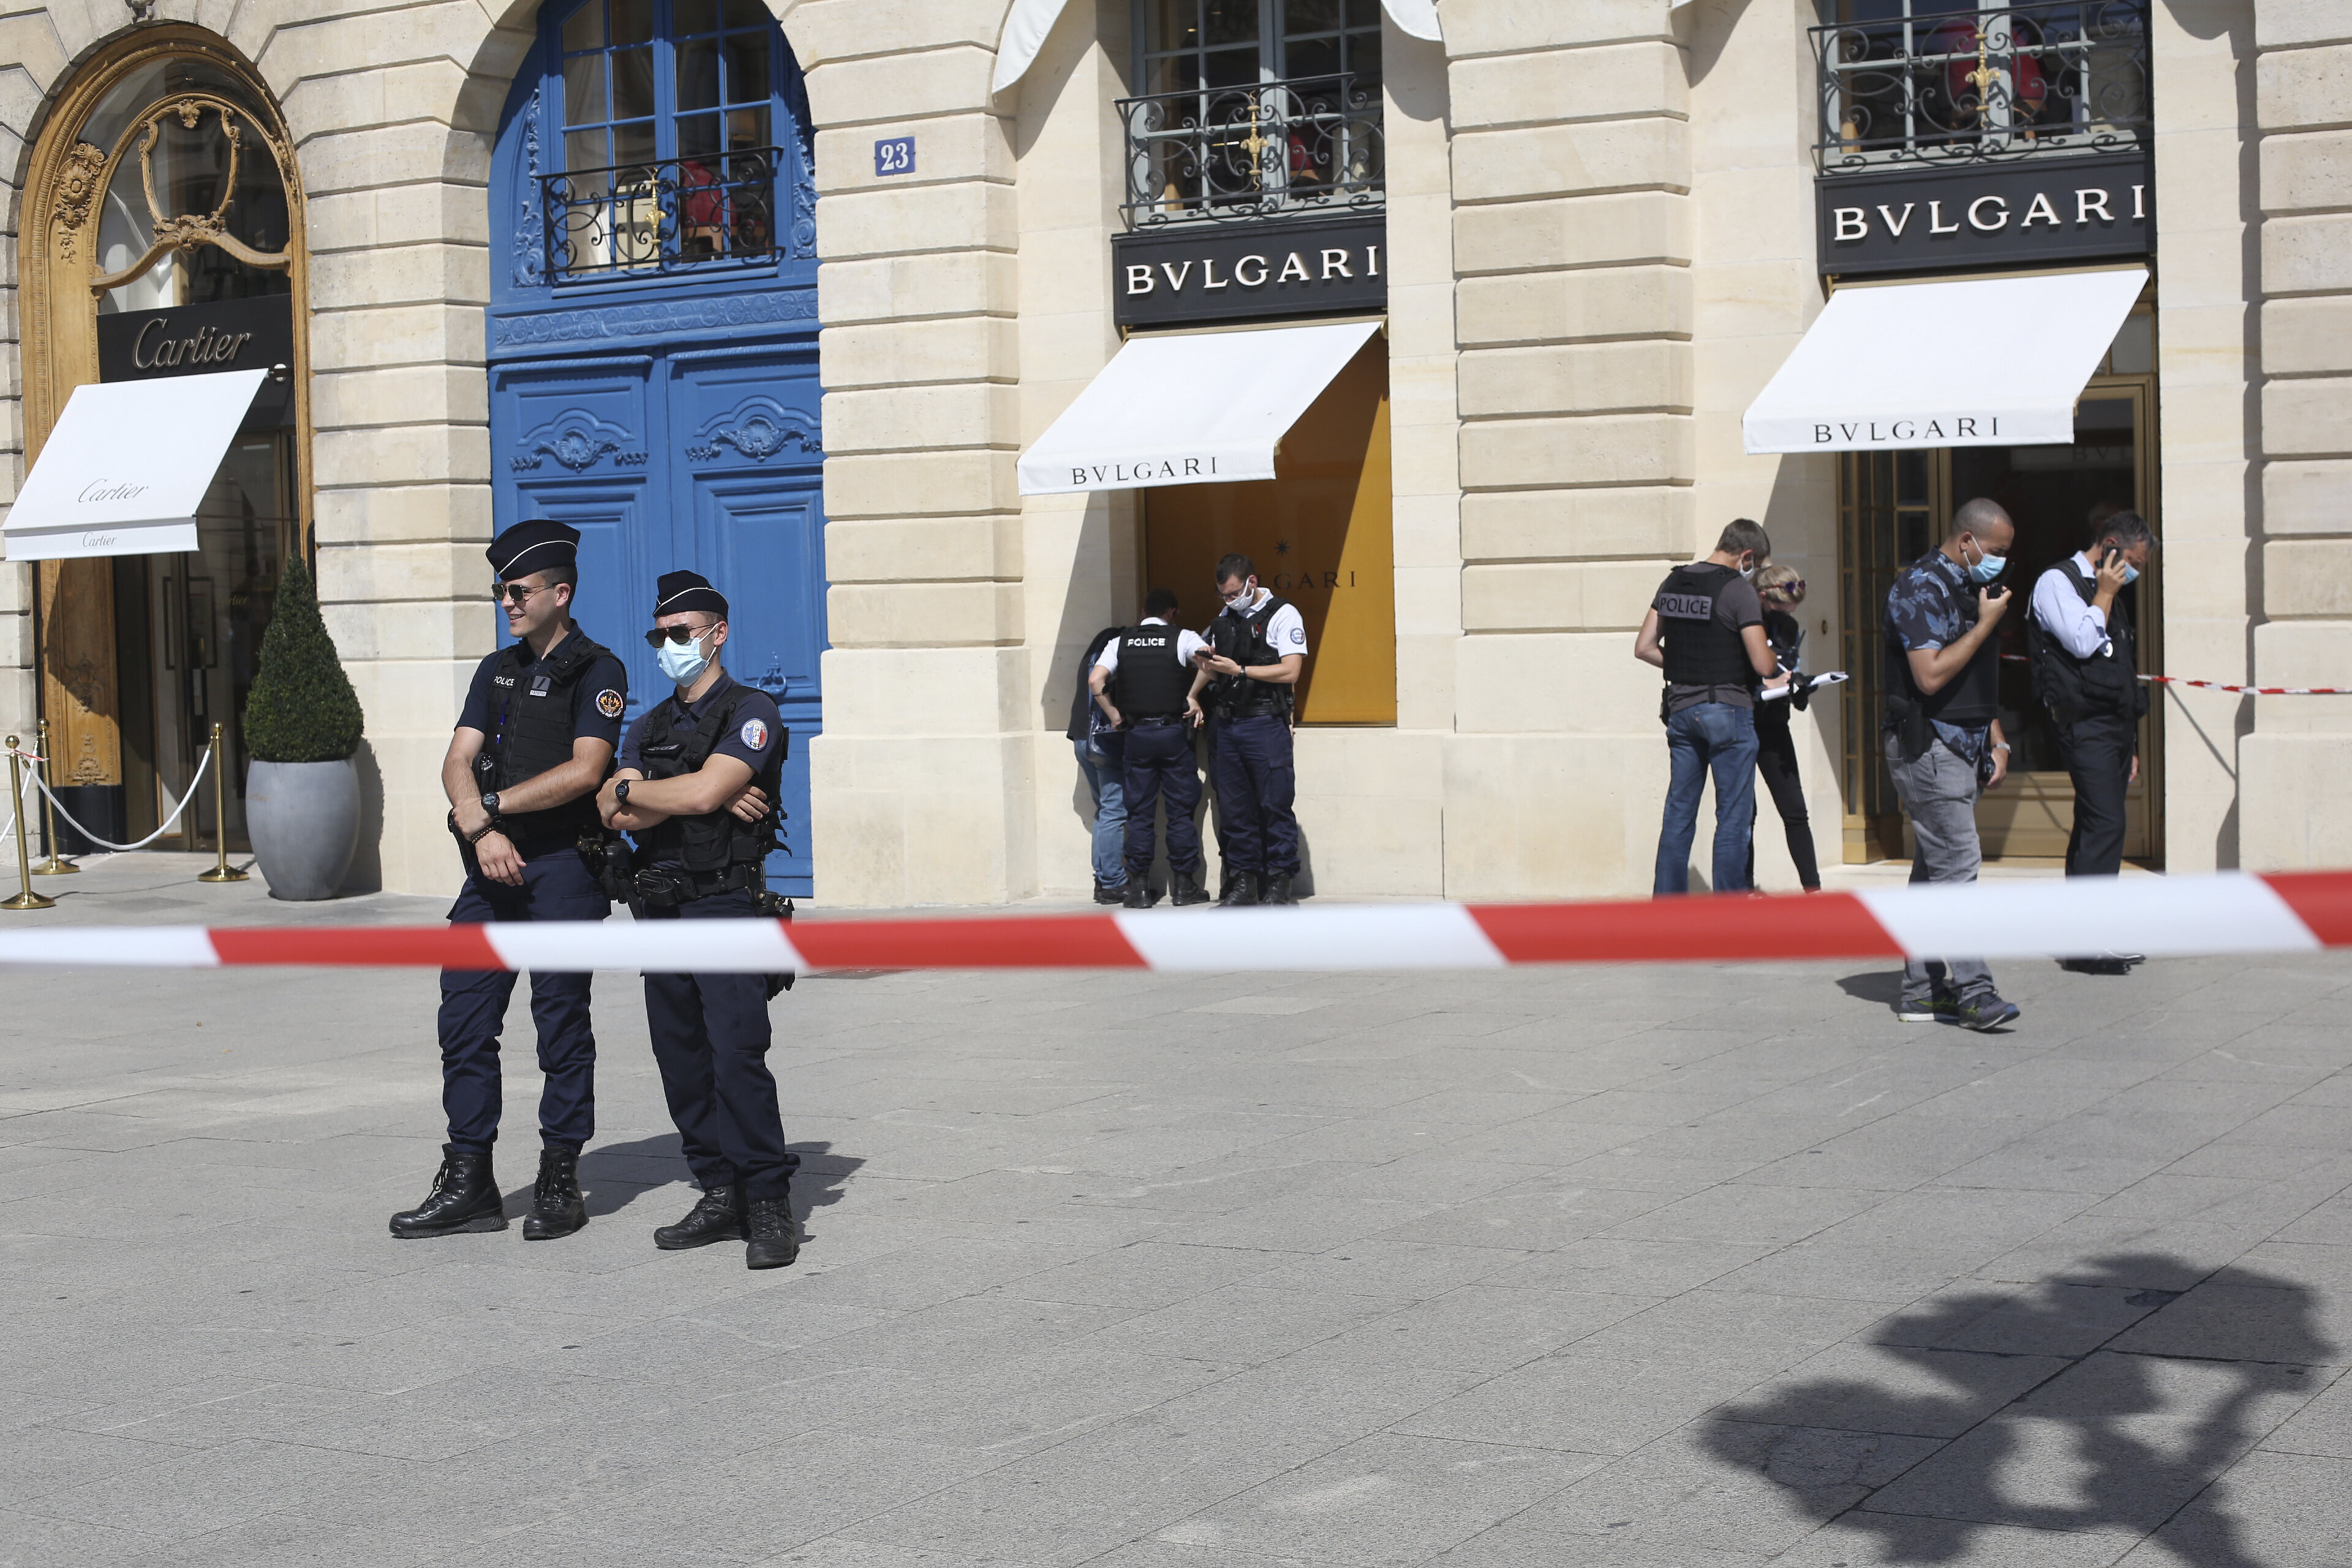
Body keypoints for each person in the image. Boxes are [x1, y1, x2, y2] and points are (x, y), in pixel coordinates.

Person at [391, 519, 628, 1241]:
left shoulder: (599, 670)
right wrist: (482, 829)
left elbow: (586, 771)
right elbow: (457, 757)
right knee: (462, 1020)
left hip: (562, 868)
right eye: (501, 590)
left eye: (519, 590)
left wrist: (489, 809)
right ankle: (470, 1180)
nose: (508, 601)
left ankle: (560, 1174)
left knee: (560, 1025)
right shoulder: (496, 669)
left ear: (561, 591)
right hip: (491, 870)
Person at [597, 571, 800, 1270]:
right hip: (659, 903)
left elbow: (711, 785)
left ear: (718, 633)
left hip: (723, 901)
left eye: (680, 634)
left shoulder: (753, 709)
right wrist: (680, 795)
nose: (668, 645)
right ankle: (719, 1189)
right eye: (660, 635)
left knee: (737, 1054)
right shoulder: (648, 724)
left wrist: (665, 792)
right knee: (681, 1058)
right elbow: (609, 807)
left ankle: (768, 1198)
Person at [1883, 497, 2022, 1030]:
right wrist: (1985, 625)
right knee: (1959, 869)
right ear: (1967, 541)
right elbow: (1932, 676)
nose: (2001, 562)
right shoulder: (1919, 586)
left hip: (1964, 745)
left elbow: (1973, 677)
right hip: (1929, 748)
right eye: (1996, 551)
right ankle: (1975, 991)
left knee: (1934, 871)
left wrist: (1996, 738)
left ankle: (1921, 992)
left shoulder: (1968, 589)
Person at [2029, 507, 2157, 975]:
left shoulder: (2112, 596)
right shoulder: (2057, 583)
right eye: (2133, 561)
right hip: (2083, 725)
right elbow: (2082, 643)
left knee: (2094, 827)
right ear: (2109, 549)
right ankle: (2090, 941)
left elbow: (2118, 670)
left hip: (2113, 727)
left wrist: (2133, 741)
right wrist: (2104, 592)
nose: (2135, 572)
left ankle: (2084, 938)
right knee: (2106, 827)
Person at [1635, 519, 1785, 895]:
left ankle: (1667, 912)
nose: (1756, 576)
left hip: (1682, 712)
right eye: (1758, 567)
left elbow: (1645, 647)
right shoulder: (1737, 590)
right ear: (1746, 555)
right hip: (1727, 712)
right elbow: (1763, 664)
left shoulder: (1674, 581)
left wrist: (1687, 667)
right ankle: (1728, 917)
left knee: (1678, 815)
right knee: (1733, 818)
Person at [1192, 554, 1309, 906]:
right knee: (1235, 807)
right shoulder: (1226, 619)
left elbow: (1290, 671)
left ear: (1251, 583)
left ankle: (1278, 882)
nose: (1228, 601)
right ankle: (1243, 882)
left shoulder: (1283, 614)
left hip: (1264, 721)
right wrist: (1193, 692)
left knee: (1274, 803)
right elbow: (1215, 667)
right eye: (1223, 596)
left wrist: (1240, 670)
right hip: (1228, 723)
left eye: (1233, 594)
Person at [1092, 587, 1212, 908]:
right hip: (1173, 734)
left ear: (1144, 612)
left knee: (1140, 813)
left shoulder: (1121, 642)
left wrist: (1115, 715)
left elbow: (1095, 681)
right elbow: (1208, 661)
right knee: (1180, 812)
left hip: (1137, 736)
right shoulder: (1182, 637)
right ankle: (1185, 888)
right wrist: (1192, 695)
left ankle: (1140, 890)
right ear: (1172, 611)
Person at [1747, 564, 1822, 893]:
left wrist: (1801, 687)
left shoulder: (1788, 627)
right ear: (1764, 597)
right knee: (1742, 815)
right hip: (1743, 724)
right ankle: (1743, 889)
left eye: (1790, 611)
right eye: (1779, 608)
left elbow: (1789, 672)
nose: (1785, 615)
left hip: (1775, 725)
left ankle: (1813, 890)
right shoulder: (1746, 623)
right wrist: (1765, 685)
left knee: (1795, 810)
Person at [1068, 624, 1129, 905]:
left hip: (1082, 737)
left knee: (1104, 811)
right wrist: (1117, 716)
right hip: (1104, 741)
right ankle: (1114, 883)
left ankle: (1102, 880)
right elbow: (1098, 684)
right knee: (1114, 811)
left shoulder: (1097, 644)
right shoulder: (1115, 651)